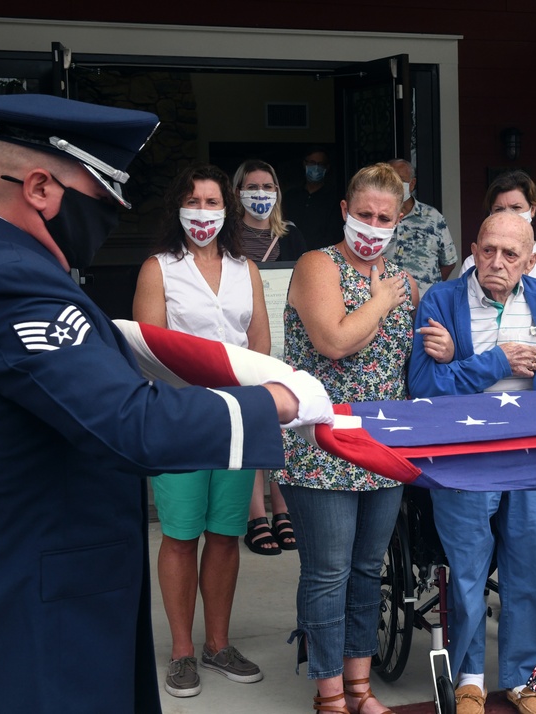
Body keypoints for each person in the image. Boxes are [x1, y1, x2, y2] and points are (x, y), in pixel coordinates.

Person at [0, 94, 329, 714]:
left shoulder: (20, 268)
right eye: (100, 197)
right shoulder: (13, 276)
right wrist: (276, 402)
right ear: (39, 187)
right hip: (40, 604)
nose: (110, 214)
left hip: (51, 560)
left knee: (222, 534)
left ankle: (217, 642)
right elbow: (130, 422)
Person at [409, 211, 536, 714]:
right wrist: (495, 362)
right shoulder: (442, 300)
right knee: (466, 567)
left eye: (510, 255)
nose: (497, 262)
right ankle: (469, 677)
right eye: (488, 250)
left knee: (529, 562)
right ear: (473, 248)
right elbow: (423, 388)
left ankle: (530, 678)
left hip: (529, 449)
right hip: (465, 453)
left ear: (530, 261)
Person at [272, 162, 417, 714]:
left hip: (383, 448)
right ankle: (329, 694)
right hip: (323, 449)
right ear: (344, 211)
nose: (373, 225)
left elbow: (411, 359)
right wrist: (380, 302)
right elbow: (333, 340)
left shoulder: (405, 279)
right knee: (329, 572)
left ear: (399, 219)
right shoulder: (318, 265)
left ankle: (360, 687)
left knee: (367, 570)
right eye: (364, 214)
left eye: (385, 217)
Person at [133, 163, 272, 697]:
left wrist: (236, 387)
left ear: (227, 209)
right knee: (180, 534)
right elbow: (150, 349)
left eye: (213, 202)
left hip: (236, 417)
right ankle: (183, 652)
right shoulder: (159, 268)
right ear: (178, 209)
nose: (203, 212)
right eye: (193, 202)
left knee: (224, 533)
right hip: (179, 417)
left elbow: (258, 340)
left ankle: (218, 644)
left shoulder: (245, 269)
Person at [233, 158, 307, 554]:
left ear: (278, 193)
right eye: (252, 186)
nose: (260, 194)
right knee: (250, 426)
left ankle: (282, 511)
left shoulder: (291, 236)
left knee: (281, 424)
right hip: (239, 342)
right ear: (238, 192)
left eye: (268, 186)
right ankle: (255, 516)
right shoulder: (226, 237)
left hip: (282, 344)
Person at [461, 170, 536, 285]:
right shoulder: (473, 262)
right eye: (499, 209)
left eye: (516, 208)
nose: (508, 214)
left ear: (532, 209)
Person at [388, 158, 458, 296]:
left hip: (425, 305)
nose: (394, 184)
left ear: (412, 184)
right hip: (386, 304)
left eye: (400, 179)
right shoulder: (378, 217)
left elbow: (449, 262)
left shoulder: (433, 217)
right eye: (390, 179)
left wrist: (430, 289)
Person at [283, 146, 343, 250]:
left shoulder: (333, 199)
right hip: (289, 257)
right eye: (312, 163)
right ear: (304, 164)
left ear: (327, 167)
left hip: (321, 257)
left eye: (320, 164)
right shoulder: (291, 196)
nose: (316, 167)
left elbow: (333, 234)